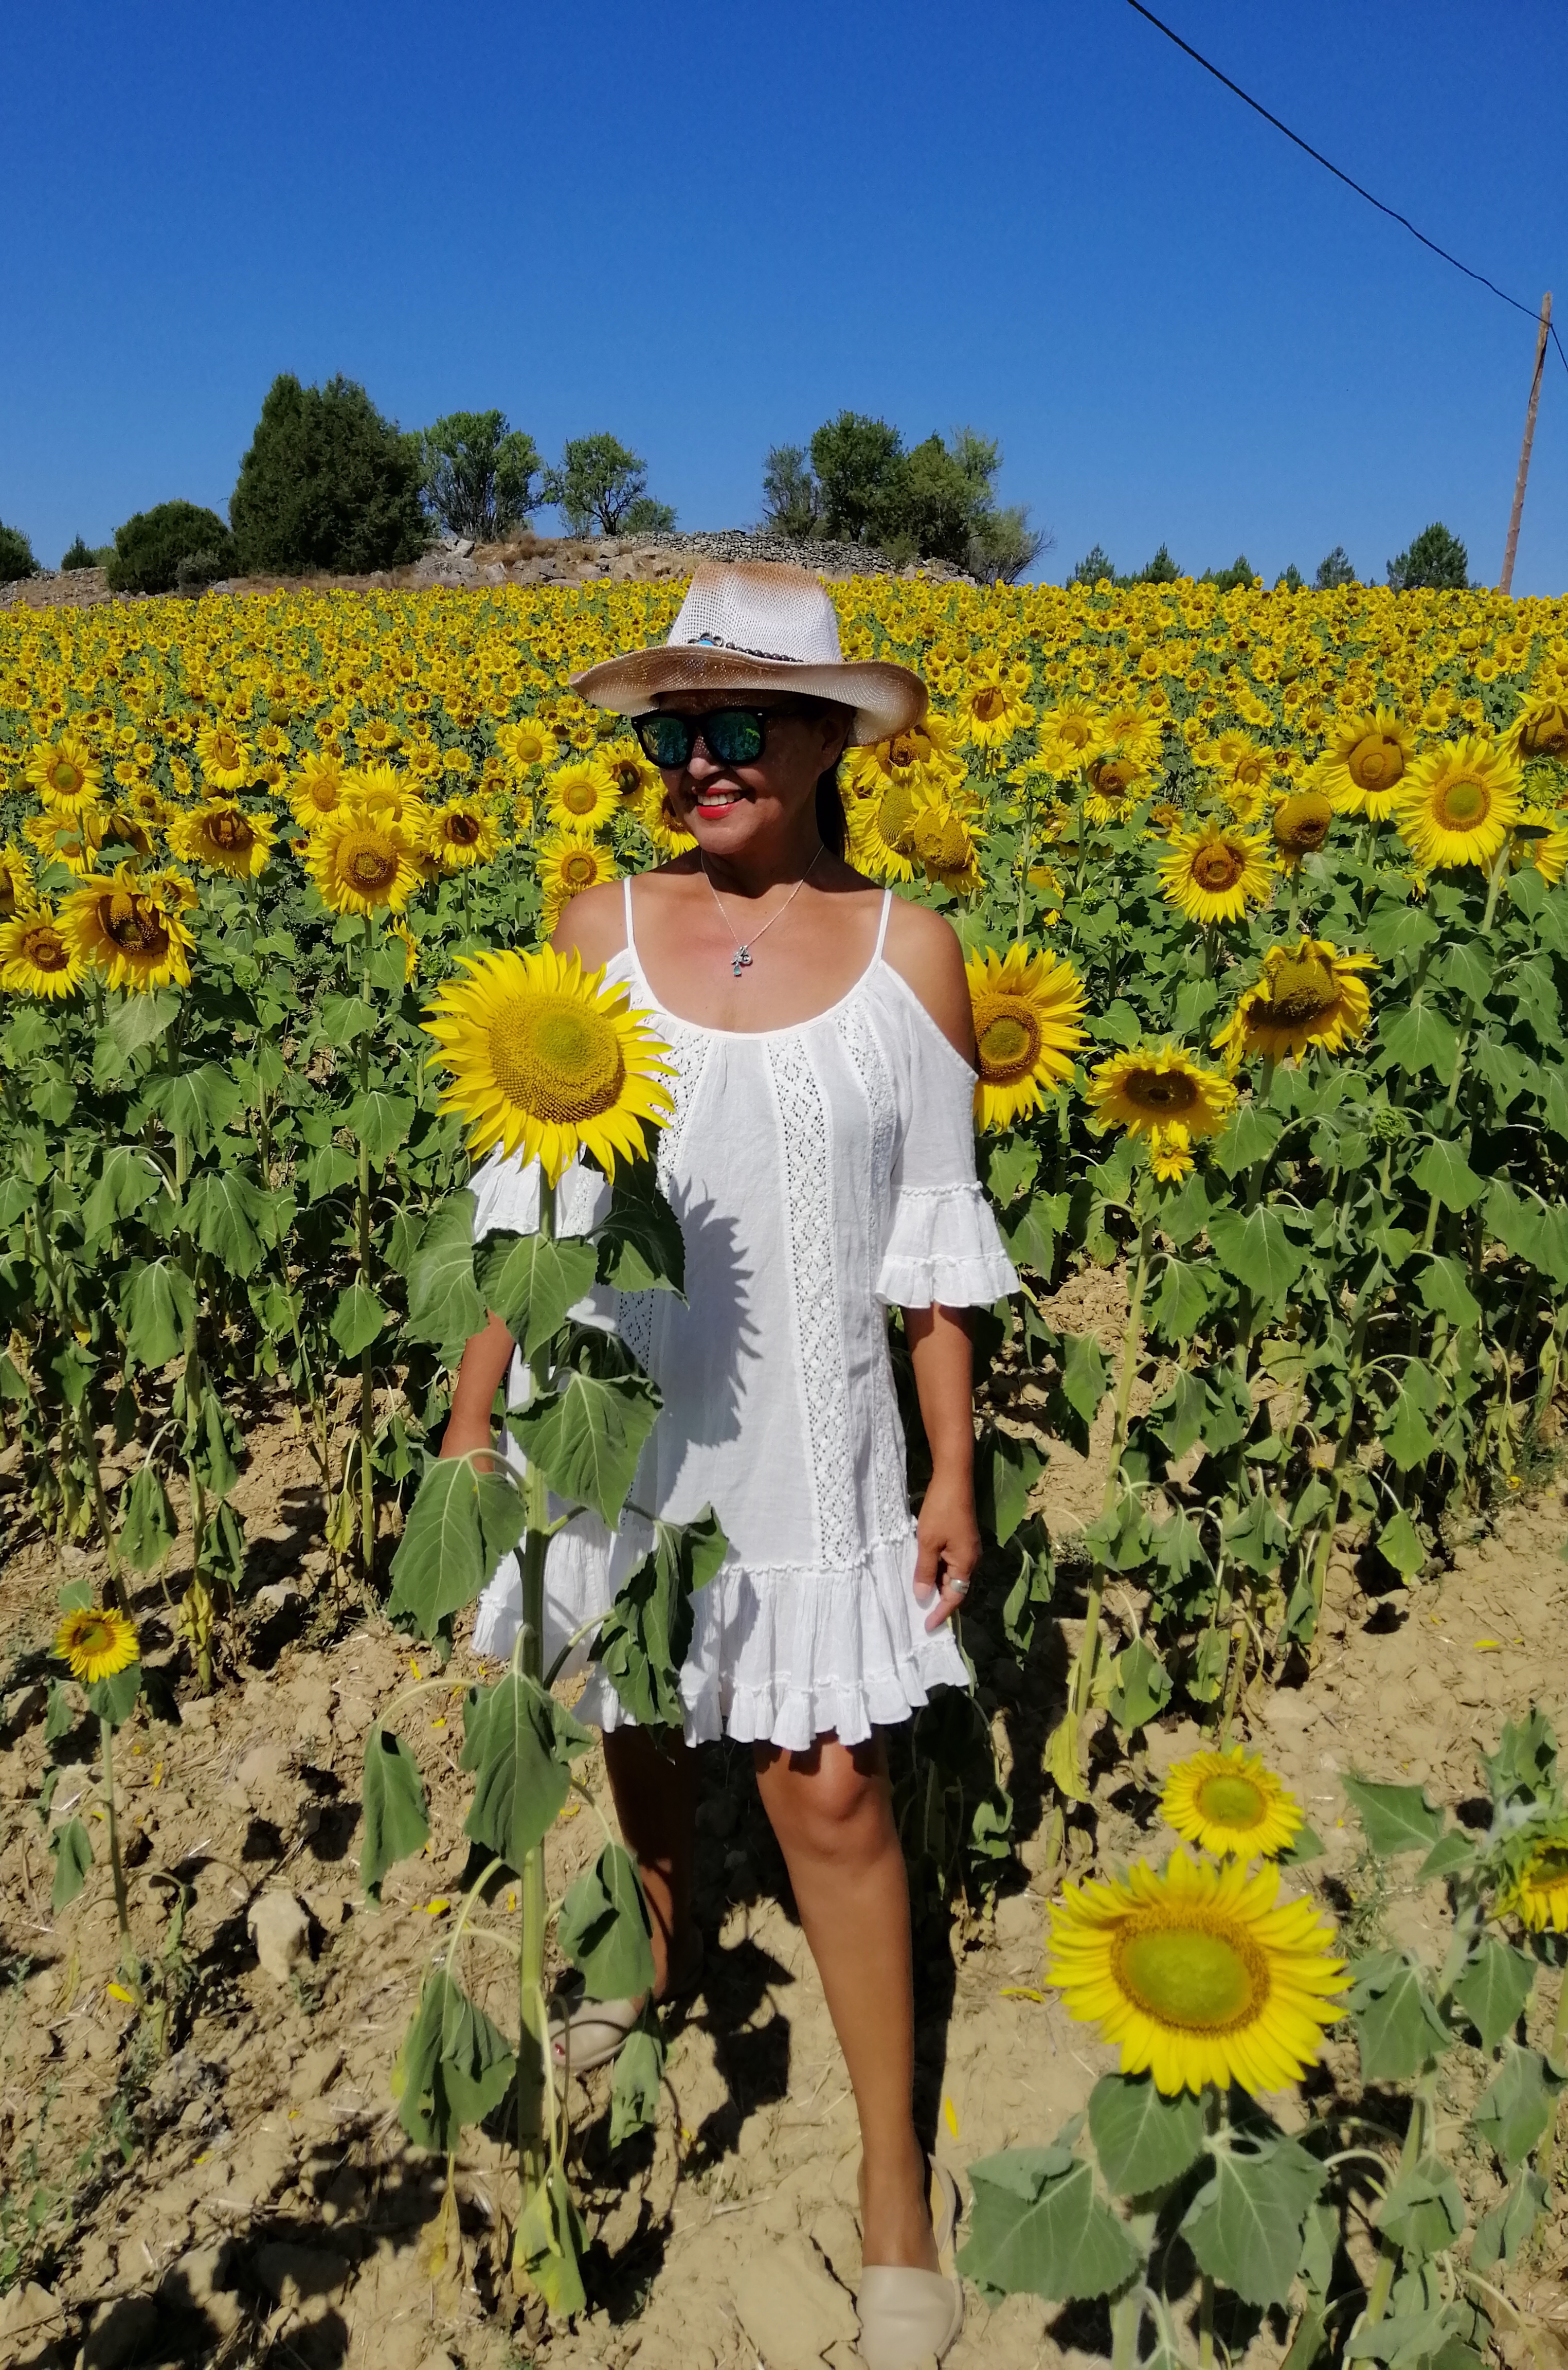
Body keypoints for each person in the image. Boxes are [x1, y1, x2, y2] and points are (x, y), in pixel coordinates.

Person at [438, 561, 1017, 2369]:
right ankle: (654, 1955)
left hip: (812, 1442)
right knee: (633, 1713)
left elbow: (936, 1252)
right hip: (619, 1415)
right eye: (675, 732)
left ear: (832, 738)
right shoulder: (596, 928)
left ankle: (895, 2180)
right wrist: (474, 1418)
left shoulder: (912, 952)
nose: (701, 761)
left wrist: (951, 1472)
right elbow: (527, 1202)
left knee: (829, 1791)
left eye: (739, 724)